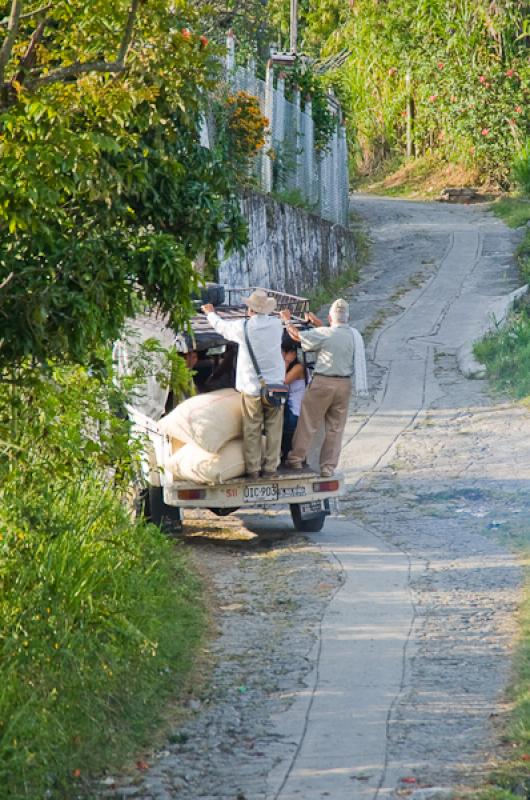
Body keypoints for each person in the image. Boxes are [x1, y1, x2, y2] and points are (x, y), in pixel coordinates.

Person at [201, 289, 284, 480]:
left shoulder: (243, 327)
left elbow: (221, 328)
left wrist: (210, 313)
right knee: (274, 429)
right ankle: (271, 468)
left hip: (251, 387)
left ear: (250, 309)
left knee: (252, 428)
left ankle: (253, 469)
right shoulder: (277, 325)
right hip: (276, 387)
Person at [281, 298, 367, 478]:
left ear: (330, 317)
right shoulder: (353, 335)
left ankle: (296, 459)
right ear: (347, 317)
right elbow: (326, 334)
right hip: (344, 385)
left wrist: (287, 320)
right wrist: (317, 325)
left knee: (308, 422)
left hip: (323, 383)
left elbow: (297, 336)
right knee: (335, 428)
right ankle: (328, 467)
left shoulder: (325, 334)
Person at [281, 332, 307, 460]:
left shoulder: (298, 367)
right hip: (288, 407)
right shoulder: (287, 366)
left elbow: (283, 381)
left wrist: (286, 362)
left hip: (295, 411)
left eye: (282, 352)